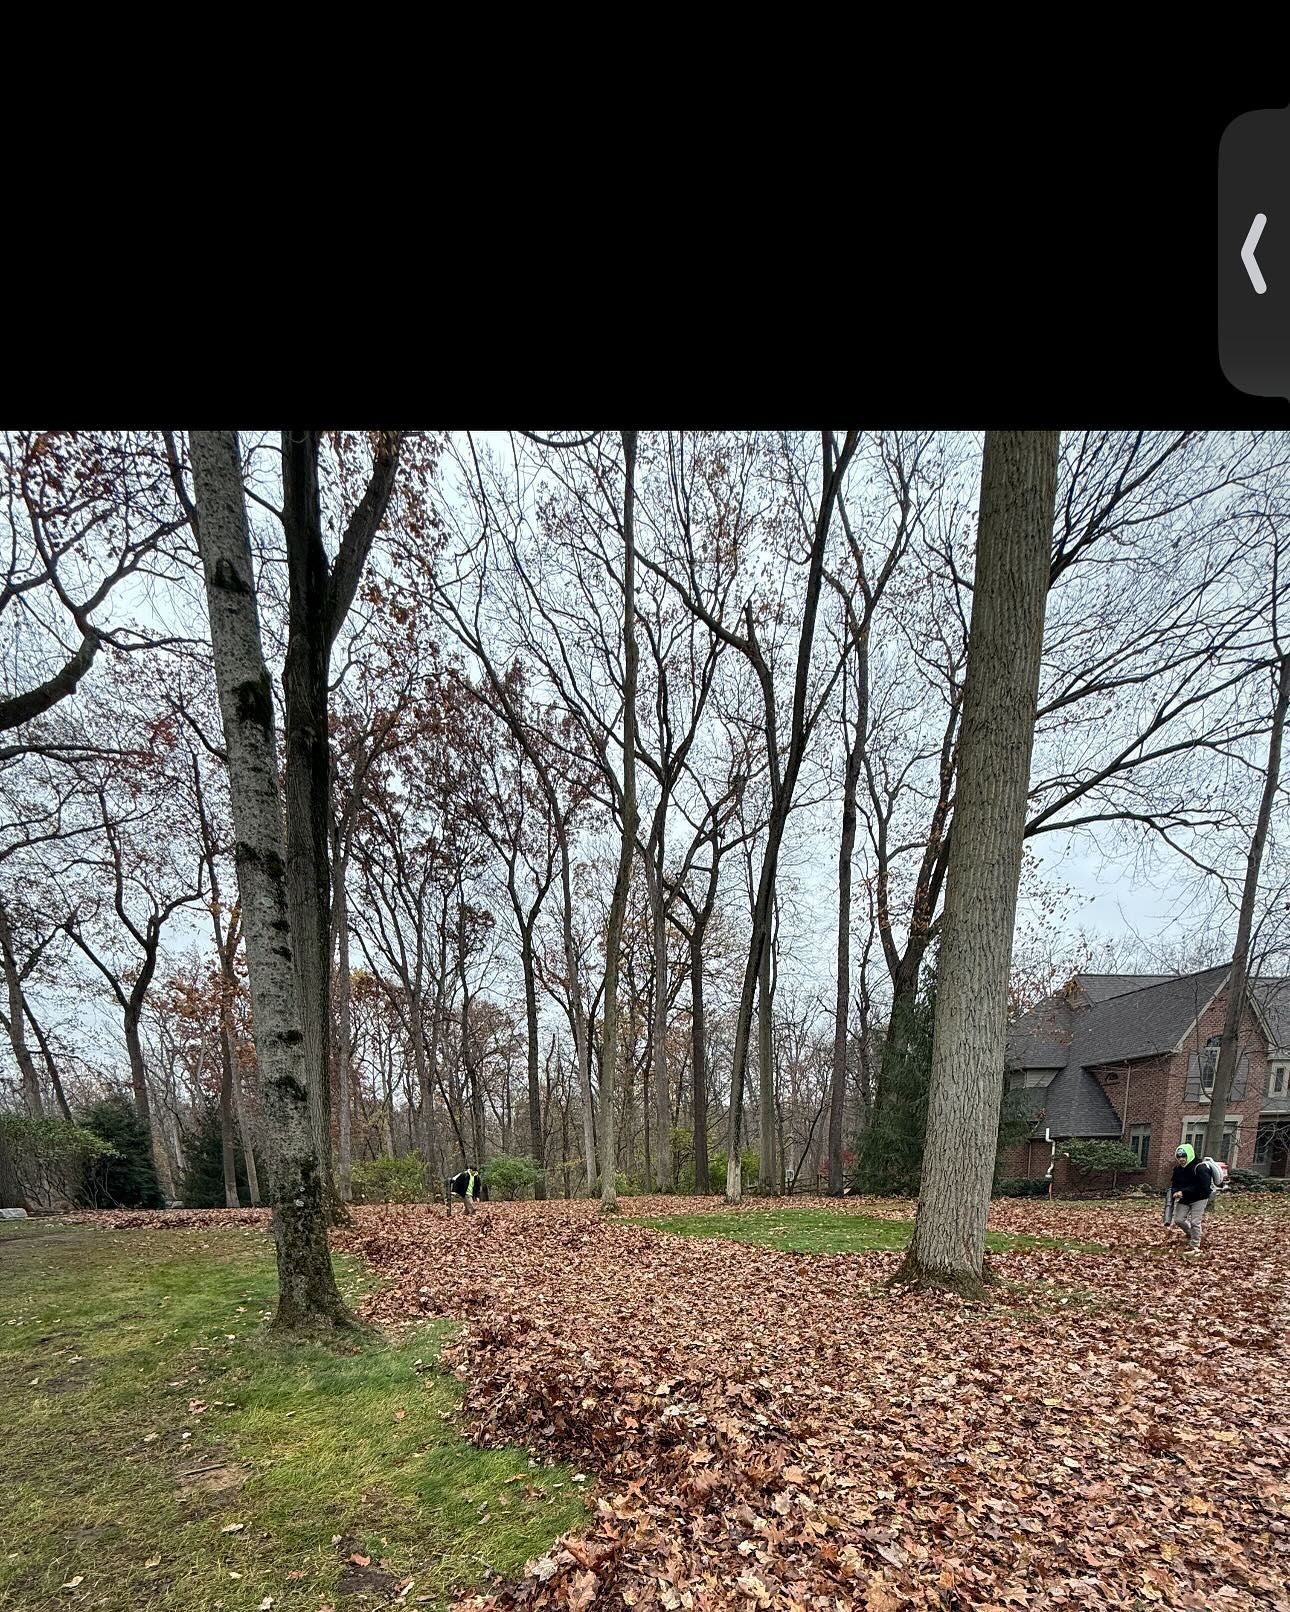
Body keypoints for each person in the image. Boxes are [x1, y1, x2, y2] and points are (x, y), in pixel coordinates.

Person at [1164, 1143, 1213, 1255]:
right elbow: (1175, 1183)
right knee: (1179, 1220)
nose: (1181, 1159)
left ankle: (1195, 1245)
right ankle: (1192, 1234)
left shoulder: (1200, 1168)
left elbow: (1204, 1186)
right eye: (1179, 1157)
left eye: (1184, 1156)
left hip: (1200, 1198)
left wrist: (1183, 1191)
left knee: (1195, 1222)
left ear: (1190, 1155)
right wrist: (1175, 1192)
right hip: (1185, 1198)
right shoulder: (1178, 1169)